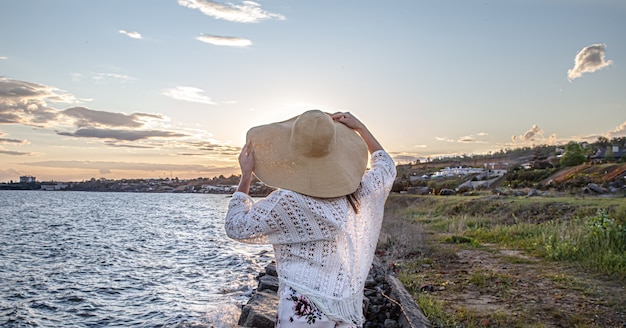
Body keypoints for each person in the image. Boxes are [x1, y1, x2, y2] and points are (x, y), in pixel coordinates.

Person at [224, 110, 396, 327]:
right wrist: (361, 128)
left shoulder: (287, 201)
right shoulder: (356, 193)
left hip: (302, 308)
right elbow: (386, 168)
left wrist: (246, 175)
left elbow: (236, 226)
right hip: (341, 303)